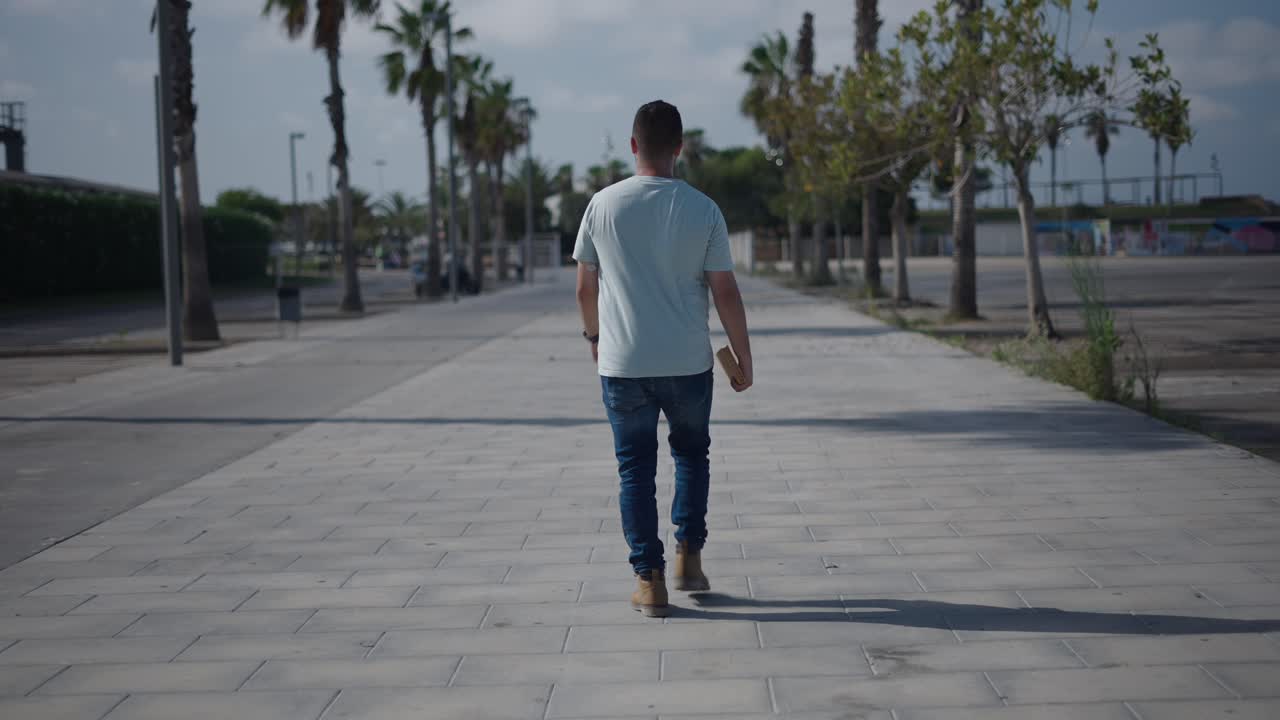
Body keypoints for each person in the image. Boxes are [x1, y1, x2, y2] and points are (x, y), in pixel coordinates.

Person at [573, 100, 753, 618]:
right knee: (692, 455)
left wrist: (594, 336)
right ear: (680, 148)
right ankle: (688, 558)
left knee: (635, 470)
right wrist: (743, 356)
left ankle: (648, 582)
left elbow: (585, 286)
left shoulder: (601, 205)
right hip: (688, 362)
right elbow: (726, 292)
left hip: (623, 362)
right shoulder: (703, 209)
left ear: (633, 146)